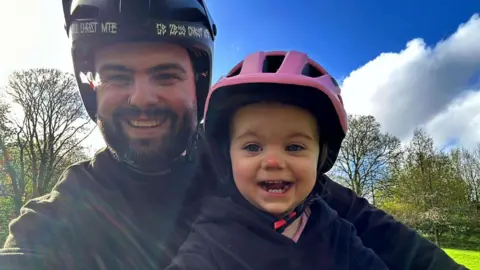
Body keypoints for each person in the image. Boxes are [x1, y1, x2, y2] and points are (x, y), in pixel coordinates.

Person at [0, 1, 465, 270]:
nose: (142, 98)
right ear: (93, 88)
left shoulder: (250, 167)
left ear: (197, 85)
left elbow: (396, 245)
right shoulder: (59, 216)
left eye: (165, 75)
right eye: (118, 76)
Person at [166, 50, 389, 270]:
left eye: (294, 147)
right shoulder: (213, 237)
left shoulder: (337, 234)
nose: (273, 162)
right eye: (252, 147)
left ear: (320, 158)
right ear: (228, 157)